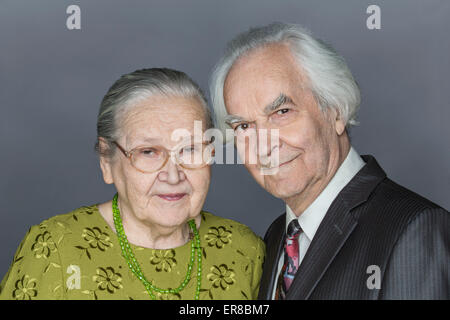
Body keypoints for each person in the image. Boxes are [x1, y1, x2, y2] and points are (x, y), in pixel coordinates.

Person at [209, 22, 449, 299]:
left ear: (336, 111)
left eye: (282, 112)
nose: (264, 146)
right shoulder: (276, 236)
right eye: (243, 127)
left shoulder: (414, 231)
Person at [0, 68, 265, 300]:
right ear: (107, 161)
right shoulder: (55, 247)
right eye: (148, 152)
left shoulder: (244, 250)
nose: (173, 176)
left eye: (191, 150)